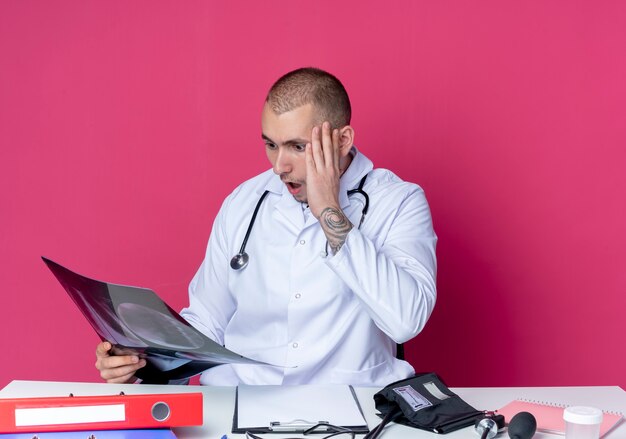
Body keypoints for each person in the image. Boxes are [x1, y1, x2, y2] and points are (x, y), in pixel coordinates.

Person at [95, 67, 437, 386]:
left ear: (343, 140)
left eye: (297, 147)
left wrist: (329, 210)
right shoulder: (244, 201)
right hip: (240, 405)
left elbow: (405, 321)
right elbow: (207, 323)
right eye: (271, 145)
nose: (279, 166)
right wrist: (141, 363)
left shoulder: (398, 201)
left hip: (350, 409)